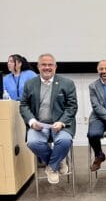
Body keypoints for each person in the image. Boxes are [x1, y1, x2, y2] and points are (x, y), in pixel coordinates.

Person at [20, 53, 78, 184]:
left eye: (50, 64)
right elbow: (24, 105)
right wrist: (32, 121)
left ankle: (51, 167)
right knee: (33, 143)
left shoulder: (67, 83)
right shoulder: (30, 84)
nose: (47, 67)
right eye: (43, 65)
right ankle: (58, 160)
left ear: (55, 67)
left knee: (64, 141)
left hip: (60, 124)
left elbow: (72, 107)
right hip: (38, 124)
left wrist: (62, 122)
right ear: (38, 67)